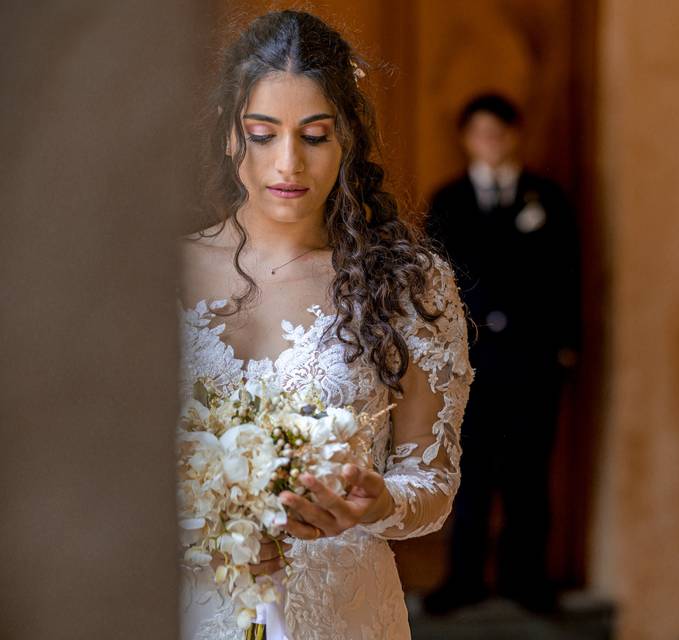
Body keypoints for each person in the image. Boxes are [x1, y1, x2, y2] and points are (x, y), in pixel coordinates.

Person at [176, 10, 473, 639]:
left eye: (314, 136)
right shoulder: (158, 277)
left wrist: (381, 501)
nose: (289, 164)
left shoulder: (408, 285)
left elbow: (434, 481)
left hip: (341, 612)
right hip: (187, 606)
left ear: (348, 141)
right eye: (263, 134)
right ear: (231, 135)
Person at [423, 94, 581, 615]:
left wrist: (567, 347)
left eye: (499, 132)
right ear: (467, 139)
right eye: (480, 132)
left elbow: (569, 276)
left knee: (528, 473)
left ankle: (525, 578)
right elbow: (431, 284)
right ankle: (462, 577)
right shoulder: (446, 202)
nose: (490, 142)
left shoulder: (548, 198)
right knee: (469, 471)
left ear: (514, 135)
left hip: (533, 360)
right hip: (470, 362)